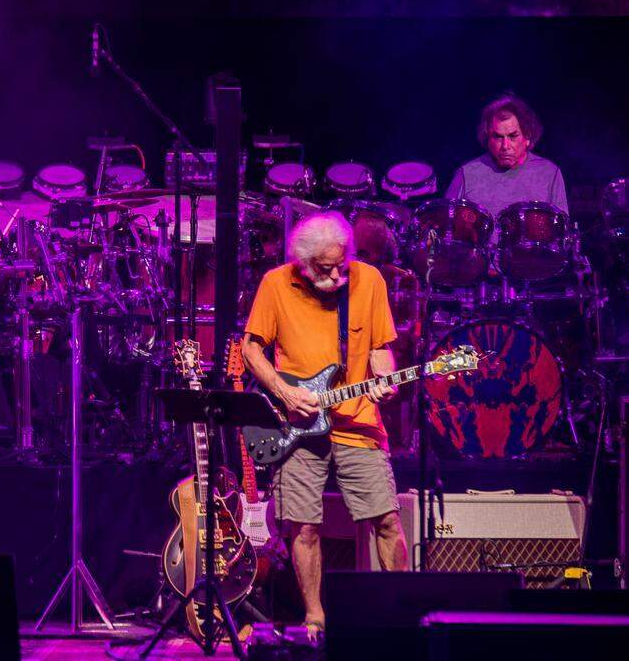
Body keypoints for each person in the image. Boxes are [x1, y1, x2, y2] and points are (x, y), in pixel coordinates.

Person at [241, 212, 408, 638]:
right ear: (302, 262)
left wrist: (385, 379)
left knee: (387, 519)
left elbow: (380, 350)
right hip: (294, 424)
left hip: (358, 421)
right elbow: (251, 348)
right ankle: (315, 618)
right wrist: (283, 392)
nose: (336, 276)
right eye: (324, 268)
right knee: (304, 525)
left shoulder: (369, 281)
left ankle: (398, 613)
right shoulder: (277, 284)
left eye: (341, 265)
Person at [446, 93, 569, 220]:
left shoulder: (549, 174)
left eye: (513, 136)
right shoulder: (467, 174)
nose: (505, 146)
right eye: (498, 137)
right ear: (488, 138)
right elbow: (445, 230)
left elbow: (562, 232)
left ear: (527, 137)